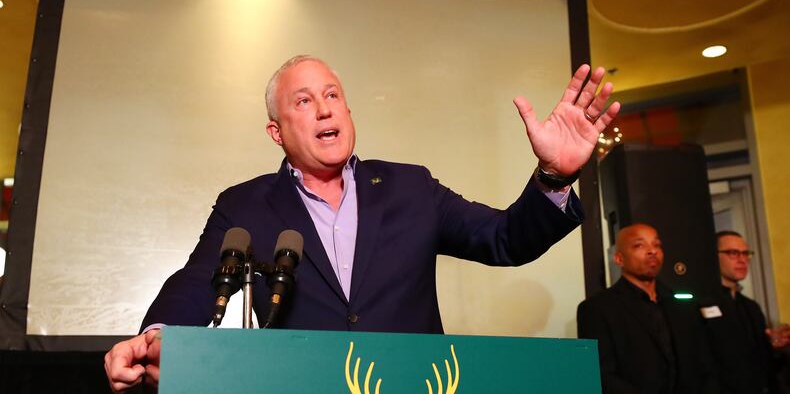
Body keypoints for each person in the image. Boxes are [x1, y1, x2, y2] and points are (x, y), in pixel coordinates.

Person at [104, 55, 620, 392]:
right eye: (303, 101)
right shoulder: (246, 205)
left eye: (332, 95)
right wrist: (153, 337)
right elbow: (196, 282)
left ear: (349, 111)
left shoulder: (412, 188)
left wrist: (554, 175)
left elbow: (505, 238)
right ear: (276, 132)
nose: (324, 108)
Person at [577, 223, 718, 394]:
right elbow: (602, 375)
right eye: (639, 245)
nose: (652, 251)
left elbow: (703, 364)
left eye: (656, 244)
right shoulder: (598, 309)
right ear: (619, 259)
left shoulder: (681, 306)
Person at [702, 230, 790, 393]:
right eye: (733, 253)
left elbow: (761, 362)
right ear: (714, 257)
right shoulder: (700, 305)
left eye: (745, 253)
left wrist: (774, 345)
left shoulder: (751, 307)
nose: (742, 260)